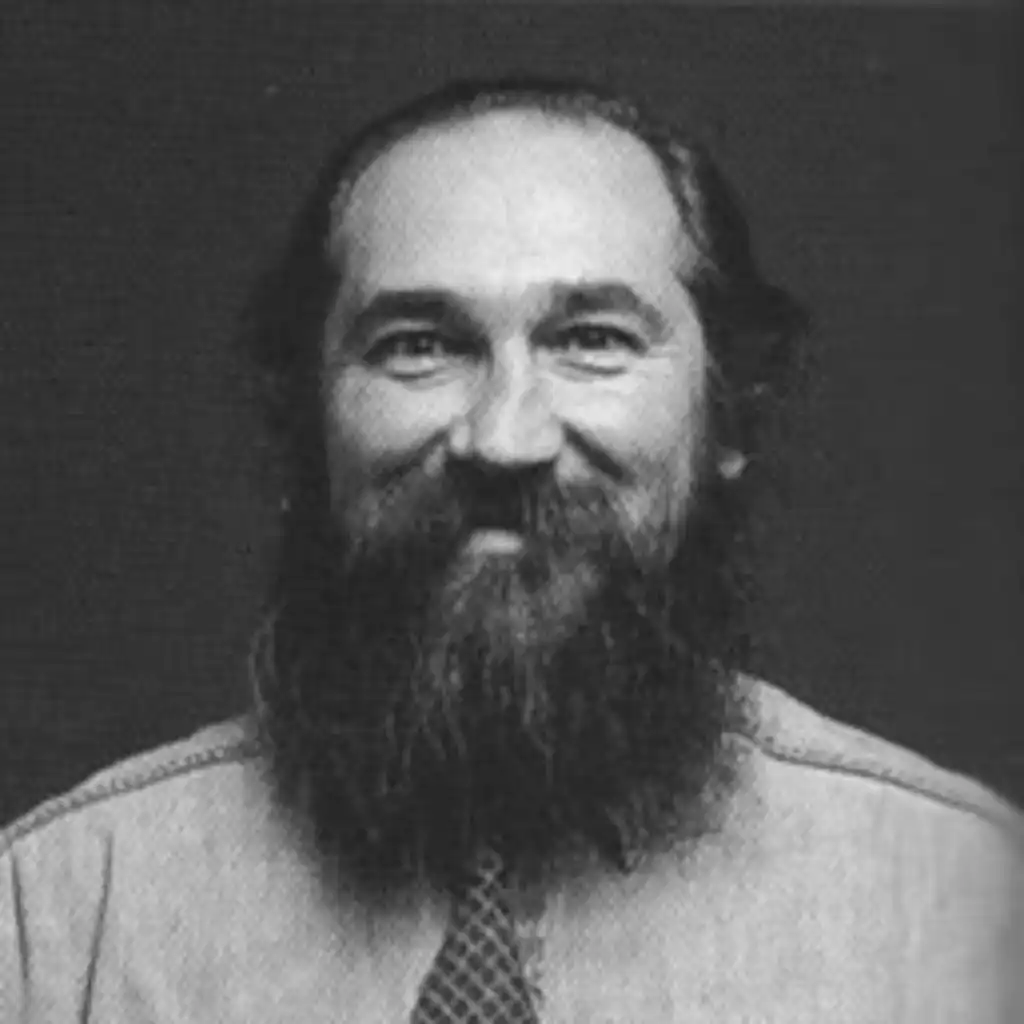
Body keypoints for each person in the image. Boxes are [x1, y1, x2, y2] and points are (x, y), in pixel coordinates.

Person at [2, 77, 1021, 1023]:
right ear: (303, 422)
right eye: (419, 345)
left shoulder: (965, 908)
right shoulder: (56, 918)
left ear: (731, 416)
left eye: (593, 339)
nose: (504, 437)